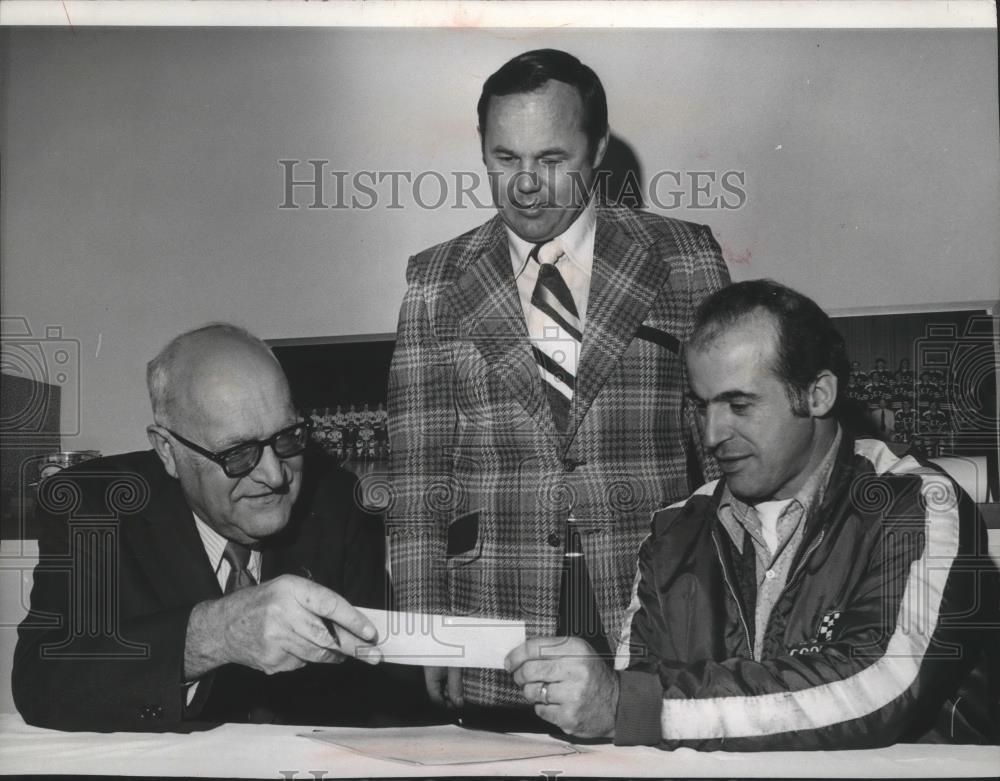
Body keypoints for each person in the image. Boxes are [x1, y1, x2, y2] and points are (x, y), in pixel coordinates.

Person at [506, 280, 998, 749]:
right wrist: (610, 700)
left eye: (739, 405)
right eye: (701, 407)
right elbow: (638, 694)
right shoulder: (675, 530)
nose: (713, 433)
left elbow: (880, 685)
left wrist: (628, 705)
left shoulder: (916, 502)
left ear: (817, 394)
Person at [387, 48, 730, 723]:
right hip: (495, 611)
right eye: (504, 158)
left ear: (597, 149)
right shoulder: (434, 282)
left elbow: (721, 449)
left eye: (551, 159)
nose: (525, 185)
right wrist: (424, 622)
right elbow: (418, 472)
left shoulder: (683, 259)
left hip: (656, 600)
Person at [13, 324, 427, 731]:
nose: (274, 475)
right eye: (238, 452)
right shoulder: (93, 507)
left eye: (287, 437)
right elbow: (44, 683)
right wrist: (215, 634)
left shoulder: (337, 501)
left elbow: (382, 691)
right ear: (168, 452)